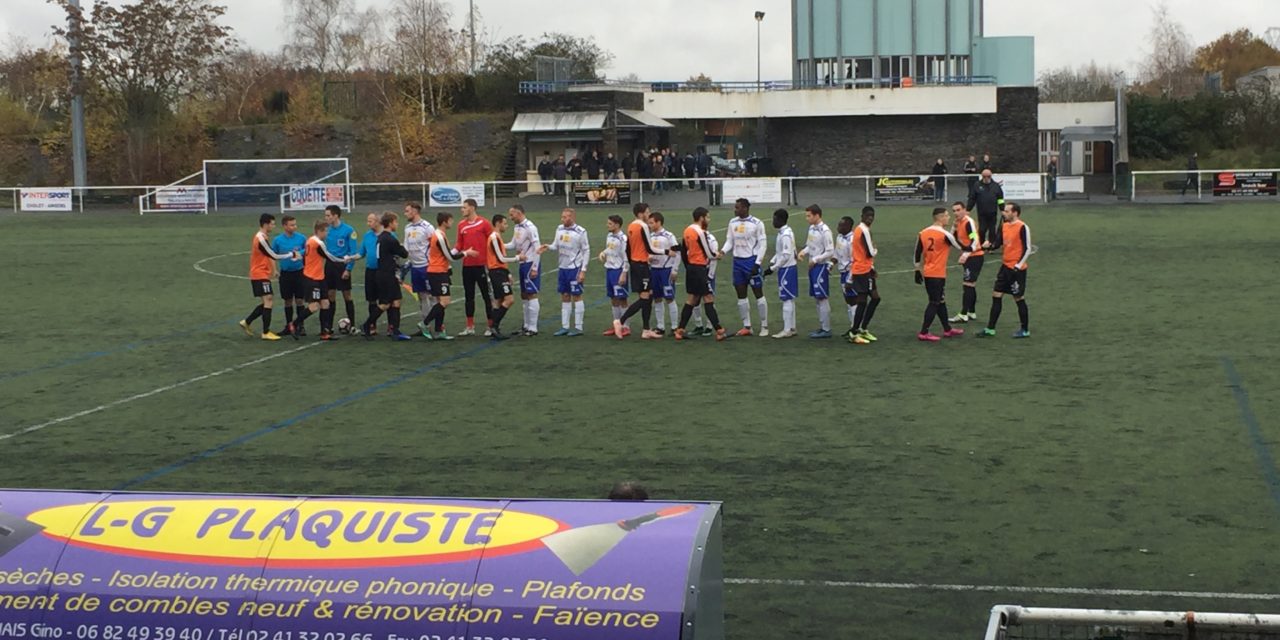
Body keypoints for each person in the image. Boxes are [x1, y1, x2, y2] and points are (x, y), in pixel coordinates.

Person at [289, 220, 359, 340]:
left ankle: (324, 332)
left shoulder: (310, 240)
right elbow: (329, 257)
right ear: (320, 231)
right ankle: (294, 324)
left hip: (320, 277)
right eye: (326, 231)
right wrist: (344, 260)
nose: (327, 233)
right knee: (314, 306)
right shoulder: (318, 243)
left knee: (325, 303)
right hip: (312, 278)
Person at [615, 203, 674, 339]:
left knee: (649, 295)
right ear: (641, 214)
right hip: (642, 265)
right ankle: (620, 321)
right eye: (647, 212)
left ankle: (646, 329)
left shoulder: (631, 226)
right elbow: (650, 248)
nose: (649, 214)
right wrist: (666, 251)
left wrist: (630, 264)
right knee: (645, 298)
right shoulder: (643, 226)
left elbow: (628, 249)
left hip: (636, 264)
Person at [913, 207, 970, 342]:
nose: (949, 217)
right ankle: (924, 332)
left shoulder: (923, 232)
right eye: (946, 215)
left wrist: (917, 269)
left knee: (940, 301)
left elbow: (917, 253)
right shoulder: (945, 235)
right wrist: (976, 246)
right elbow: (960, 246)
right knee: (934, 302)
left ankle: (947, 329)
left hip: (928, 272)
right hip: (937, 274)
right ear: (940, 218)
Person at [420, 212, 478, 341]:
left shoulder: (440, 235)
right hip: (438, 272)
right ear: (445, 222)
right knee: (445, 301)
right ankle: (424, 324)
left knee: (441, 301)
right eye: (451, 220)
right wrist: (466, 253)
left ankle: (439, 331)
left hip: (438, 271)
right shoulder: (439, 236)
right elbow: (450, 256)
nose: (452, 223)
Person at [673, 207, 727, 342]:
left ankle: (680, 330)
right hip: (699, 268)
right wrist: (717, 255)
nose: (709, 220)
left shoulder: (687, 231)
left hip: (691, 268)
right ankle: (719, 330)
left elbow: (684, 252)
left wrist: (688, 267)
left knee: (691, 299)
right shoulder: (700, 232)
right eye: (707, 217)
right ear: (701, 218)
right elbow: (708, 252)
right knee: (708, 298)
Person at [978, 202, 1032, 339]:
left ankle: (1025, 330)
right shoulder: (1005, 226)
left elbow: (1027, 248)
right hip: (1005, 267)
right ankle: (990, 328)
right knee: (996, 295)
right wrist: (988, 245)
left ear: (1015, 213)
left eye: (1007, 211)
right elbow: (998, 243)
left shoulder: (1022, 227)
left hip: (1016, 270)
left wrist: (1018, 265)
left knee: (1018, 298)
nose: (1004, 213)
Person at [240, 213, 296, 341]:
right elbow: (273, 255)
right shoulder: (260, 238)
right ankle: (265, 332)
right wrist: (291, 254)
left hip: (262, 273)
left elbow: (268, 255)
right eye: (272, 223)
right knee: (269, 300)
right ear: (266, 224)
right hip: (259, 273)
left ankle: (247, 322)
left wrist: (273, 269)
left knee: (267, 300)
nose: (274, 226)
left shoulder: (263, 237)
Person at [538, 208, 590, 337]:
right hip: (562, 268)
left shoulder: (581, 232)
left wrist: (583, 270)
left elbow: (586, 251)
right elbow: (556, 245)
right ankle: (565, 326)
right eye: (562, 217)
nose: (563, 219)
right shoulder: (559, 229)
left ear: (572, 217)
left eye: (565, 217)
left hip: (575, 267)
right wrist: (548, 246)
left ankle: (578, 327)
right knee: (565, 296)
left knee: (576, 295)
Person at [724, 198, 769, 336]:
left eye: (737, 207)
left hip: (751, 261)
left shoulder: (757, 223)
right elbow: (729, 241)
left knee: (758, 293)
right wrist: (722, 251)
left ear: (745, 208)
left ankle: (764, 325)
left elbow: (763, 245)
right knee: (741, 294)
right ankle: (747, 326)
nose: (735, 210)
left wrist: (757, 263)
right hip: (737, 262)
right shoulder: (732, 222)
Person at [453, 199, 494, 337]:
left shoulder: (484, 223)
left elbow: (493, 241)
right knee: (468, 296)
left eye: (464, 207)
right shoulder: (461, 225)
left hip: (482, 266)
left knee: (486, 296)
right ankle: (470, 326)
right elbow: (459, 244)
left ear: (472, 208)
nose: (462, 210)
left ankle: (490, 326)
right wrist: (449, 254)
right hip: (467, 266)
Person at [797, 204, 834, 339]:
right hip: (812, 267)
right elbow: (810, 245)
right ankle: (822, 326)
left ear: (817, 215)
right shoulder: (812, 228)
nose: (807, 218)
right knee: (817, 299)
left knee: (822, 297)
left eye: (809, 216)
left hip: (820, 267)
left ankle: (827, 329)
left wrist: (816, 259)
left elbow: (830, 251)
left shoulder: (825, 231)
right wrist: (803, 252)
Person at [845, 206, 881, 345]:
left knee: (875, 298)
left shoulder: (861, 230)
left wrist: (872, 267)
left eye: (872, 215)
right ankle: (854, 332)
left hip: (865, 269)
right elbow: (870, 252)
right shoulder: (863, 230)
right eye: (867, 215)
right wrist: (876, 250)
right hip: (861, 270)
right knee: (863, 301)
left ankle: (862, 329)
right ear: (862, 216)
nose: (870, 218)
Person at [402, 202, 438, 338]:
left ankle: (438, 325)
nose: (405, 213)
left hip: (427, 266)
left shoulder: (427, 227)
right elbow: (406, 247)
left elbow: (435, 246)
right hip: (415, 267)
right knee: (422, 297)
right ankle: (426, 326)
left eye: (407, 211)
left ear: (415, 211)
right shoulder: (407, 228)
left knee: (433, 296)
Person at [322, 205, 359, 331]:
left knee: (347, 295)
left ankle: (353, 325)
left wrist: (348, 269)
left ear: (336, 216)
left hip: (342, 265)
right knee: (330, 295)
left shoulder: (349, 230)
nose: (326, 218)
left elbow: (353, 251)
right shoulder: (326, 230)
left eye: (328, 215)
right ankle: (328, 326)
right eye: (325, 215)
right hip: (329, 265)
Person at [762, 209, 798, 339]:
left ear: (780, 219)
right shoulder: (783, 233)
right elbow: (781, 252)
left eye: (774, 219)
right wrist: (772, 261)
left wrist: (774, 268)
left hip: (787, 269)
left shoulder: (785, 235)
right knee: (789, 299)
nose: (773, 221)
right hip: (787, 268)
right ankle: (792, 327)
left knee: (786, 299)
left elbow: (786, 255)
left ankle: (787, 329)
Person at [485, 214, 521, 340]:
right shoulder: (494, 237)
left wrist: (508, 272)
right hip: (496, 272)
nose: (506, 226)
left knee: (499, 301)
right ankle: (494, 326)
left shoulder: (497, 237)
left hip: (501, 271)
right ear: (498, 223)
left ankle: (494, 328)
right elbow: (500, 258)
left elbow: (501, 258)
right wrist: (517, 258)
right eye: (505, 223)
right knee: (509, 299)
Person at [948, 201, 984, 324]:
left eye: (958, 210)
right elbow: (951, 237)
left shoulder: (969, 222)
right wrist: (954, 226)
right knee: (971, 285)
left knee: (967, 285)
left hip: (974, 257)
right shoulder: (959, 222)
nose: (956, 213)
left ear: (964, 210)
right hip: (970, 257)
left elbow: (975, 240)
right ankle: (971, 312)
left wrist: (966, 254)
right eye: (954, 211)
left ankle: (963, 314)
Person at [270, 215, 306, 337]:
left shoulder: (302, 238)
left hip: (299, 273)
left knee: (300, 300)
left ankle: (301, 326)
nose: (294, 227)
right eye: (291, 225)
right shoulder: (278, 240)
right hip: (285, 274)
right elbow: (272, 255)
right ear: (285, 226)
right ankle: (289, 326)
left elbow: (307, 252)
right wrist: (275, 270)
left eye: (295, 224)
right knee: (288, 301)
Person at [509, 204, 542, 336]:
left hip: (530, 263)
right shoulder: (517, 227)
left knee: (531, 293)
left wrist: (535, 267)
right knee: (524, 294)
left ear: (519, 213)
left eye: (512, 215)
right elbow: (513, 244)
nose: (510, 217)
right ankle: (526, 325)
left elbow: (537, 247)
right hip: (522, 263)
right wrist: (497, 243)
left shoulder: (530, 227)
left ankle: (533, 328)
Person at [648, 212, 681, 335]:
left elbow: (678, 253)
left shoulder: (669, 236)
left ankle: (674, 327)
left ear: (658, 222)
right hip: (654, 270)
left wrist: (675, 269)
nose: (649, 225)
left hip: (666, 270)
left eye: (651, 222)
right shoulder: (650, 236)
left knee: (669, 297)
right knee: (657, 298)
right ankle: (660, 326)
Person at [599, 214, 630, 336]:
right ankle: (616, 325)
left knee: (622, 299)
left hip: (619, 271)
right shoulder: (609, 236)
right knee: (613, 298)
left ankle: (626, 326)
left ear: (617, 225)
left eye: (610, 224)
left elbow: (626, 257)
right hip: (610, 270)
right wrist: (603, 252)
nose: (607, 225)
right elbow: (609, 249)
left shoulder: (623, 238)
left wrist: (624, 273)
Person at [355, 212, 384, 336]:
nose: (368, 223)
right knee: (372, 300)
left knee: (386, 300)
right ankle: (372, 326)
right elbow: (361, 253)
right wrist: (350, 258)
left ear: (378, 221)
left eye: (370, 221)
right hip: (370, 272)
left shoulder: (387, 235)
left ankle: (392, 327)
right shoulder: (367, 236)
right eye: (367, 221)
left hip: (383, 272)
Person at [967, 169, 1005, 248]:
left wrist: (1002, 209)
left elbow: (1000, 199)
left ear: (991, 176)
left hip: (993, 212)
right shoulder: (977, 185)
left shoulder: (996, 186)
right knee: (982, 230)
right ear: (982, 176)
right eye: (985, 176)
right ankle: (981, 244)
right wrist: (968, 209)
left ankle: (991, 245)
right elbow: (972, 198)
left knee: (992, 230)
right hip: (982, 213)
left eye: (988, 176)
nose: (986, 178)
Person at [834, 216, 858, 331]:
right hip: (842, 273)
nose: (838, 227)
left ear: (848, 227)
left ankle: (856, 328)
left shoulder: (852, 240)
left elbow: (855, 261)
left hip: (850, 273)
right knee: (848, 301)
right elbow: (836, 253)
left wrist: (850, 279)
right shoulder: (839, 237)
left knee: (854, 301)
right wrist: (830, 264)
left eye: (841, 225)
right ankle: (852, 326)